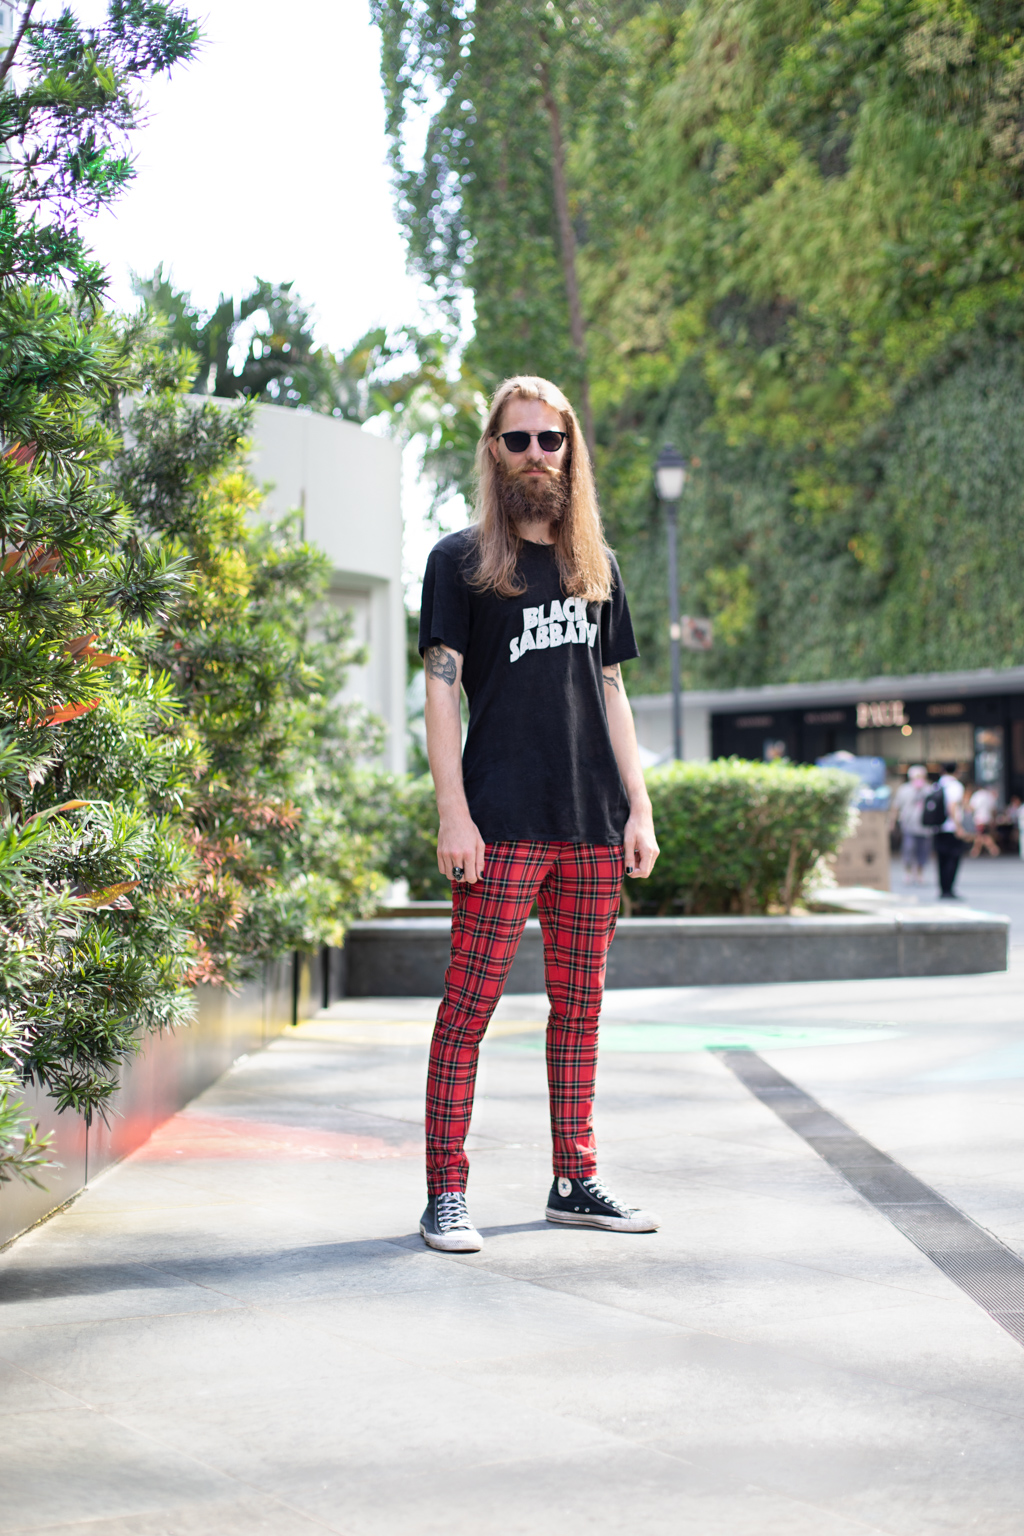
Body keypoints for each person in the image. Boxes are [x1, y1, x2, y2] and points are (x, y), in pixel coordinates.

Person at [417, 374, 661, 1253]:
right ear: (494, 450)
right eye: (517, 439)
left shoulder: (597, 566)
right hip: (500, 823)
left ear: (569, 450)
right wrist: (454, 814)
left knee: (580, 1010)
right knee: (468, 1009)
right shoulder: (459, 562)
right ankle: (445, 1194)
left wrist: (639, 807)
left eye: (548, 440)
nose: (534, 455)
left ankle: (574, 1180)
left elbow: (613, 689)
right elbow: (440, 694)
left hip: (592, 825)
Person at [889, 764, 932, 884]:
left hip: (925, 828)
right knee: (908, 849)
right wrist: (892, 822)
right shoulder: (904, 790)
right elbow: (896, 807)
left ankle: (920, 873)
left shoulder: (929, 789)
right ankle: (907, 872)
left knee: (923, 851)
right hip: (908, 826)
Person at [933, 762, 968, 900]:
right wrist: (958, 826)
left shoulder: (937, 784)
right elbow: (952, 806)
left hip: (938, 826)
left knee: (941, 859)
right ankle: (949, 889)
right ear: (956, 771)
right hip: (951, 827)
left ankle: (943, 888)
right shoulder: (955, 786)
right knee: (953, 859)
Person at [967, 783, 1000, 859]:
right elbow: (993, 809)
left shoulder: (976, 795)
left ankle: (993, 849)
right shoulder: (989, 795)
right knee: (981, 835)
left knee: (982, 835)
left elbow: (972, 807)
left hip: (979, 819)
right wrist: (993, 819)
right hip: (987, 818)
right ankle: (976, 850)